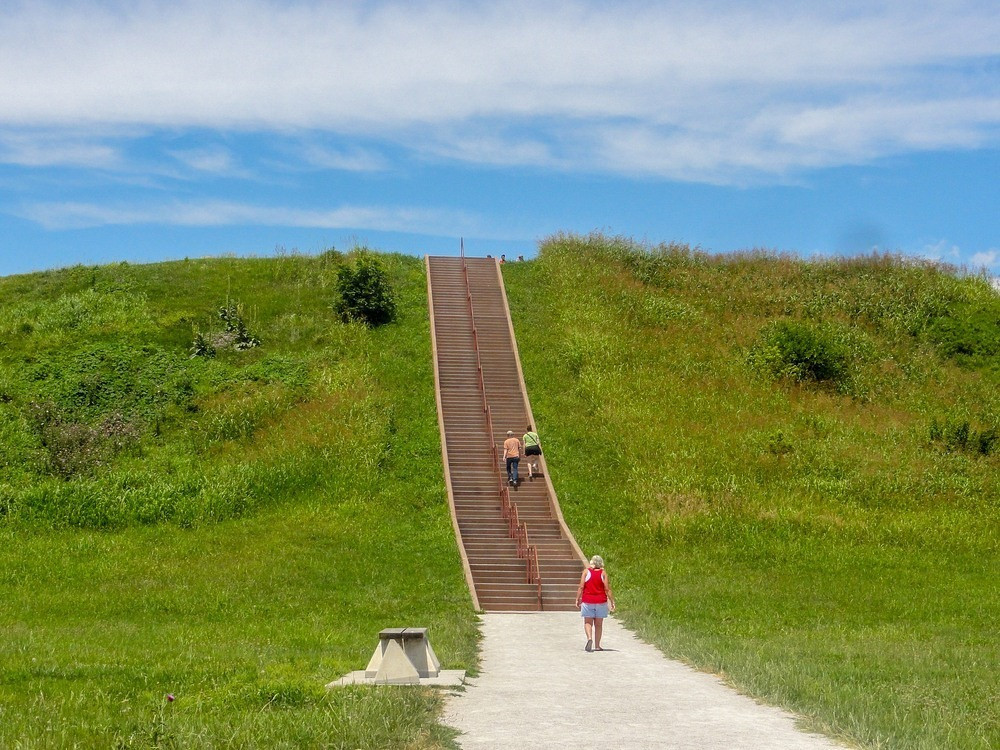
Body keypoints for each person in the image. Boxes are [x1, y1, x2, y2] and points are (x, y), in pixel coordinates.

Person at [576, 555, 615, 652]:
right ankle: (597, 645)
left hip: (588, 600)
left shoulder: (586, 572)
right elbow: (607, 589)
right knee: (599, 624)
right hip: (601, 601)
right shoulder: (603, 573)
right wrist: (612, 601)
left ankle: (589, 638)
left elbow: (581, 587)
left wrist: (577, 599)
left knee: (588, 622)